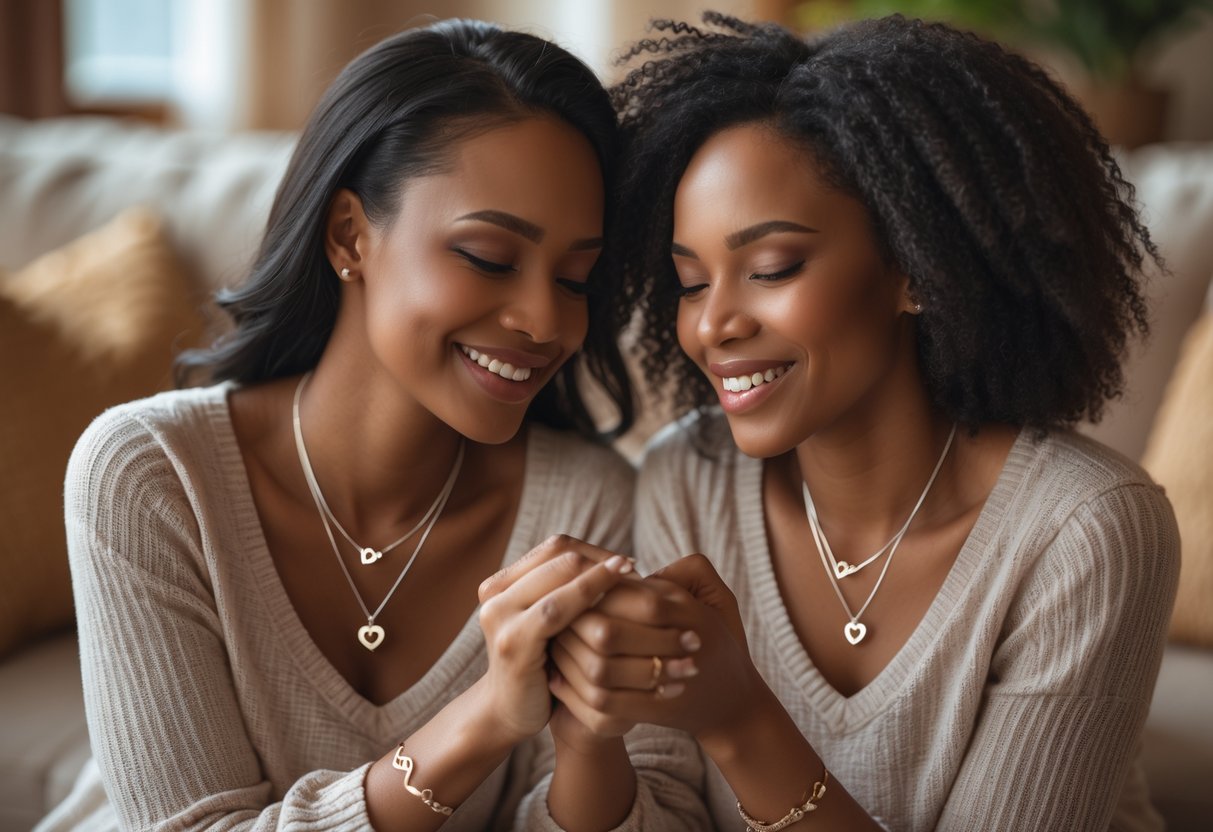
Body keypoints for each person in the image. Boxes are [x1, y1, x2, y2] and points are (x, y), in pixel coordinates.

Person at [37, 19, 708, 832]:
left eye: (575, 278)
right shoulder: (149, 474)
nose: (544, 320)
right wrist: (488, 716)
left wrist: (590, 740)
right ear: (350, 234)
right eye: (490, 257)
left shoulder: (589, 508)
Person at [543, 12, 1181, 832]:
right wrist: (587, 732)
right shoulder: (687, 478)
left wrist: (738, 722)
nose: (713, 326)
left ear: (916, 269)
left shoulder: (1084, 529)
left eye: (771, 268)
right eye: (692, 283)